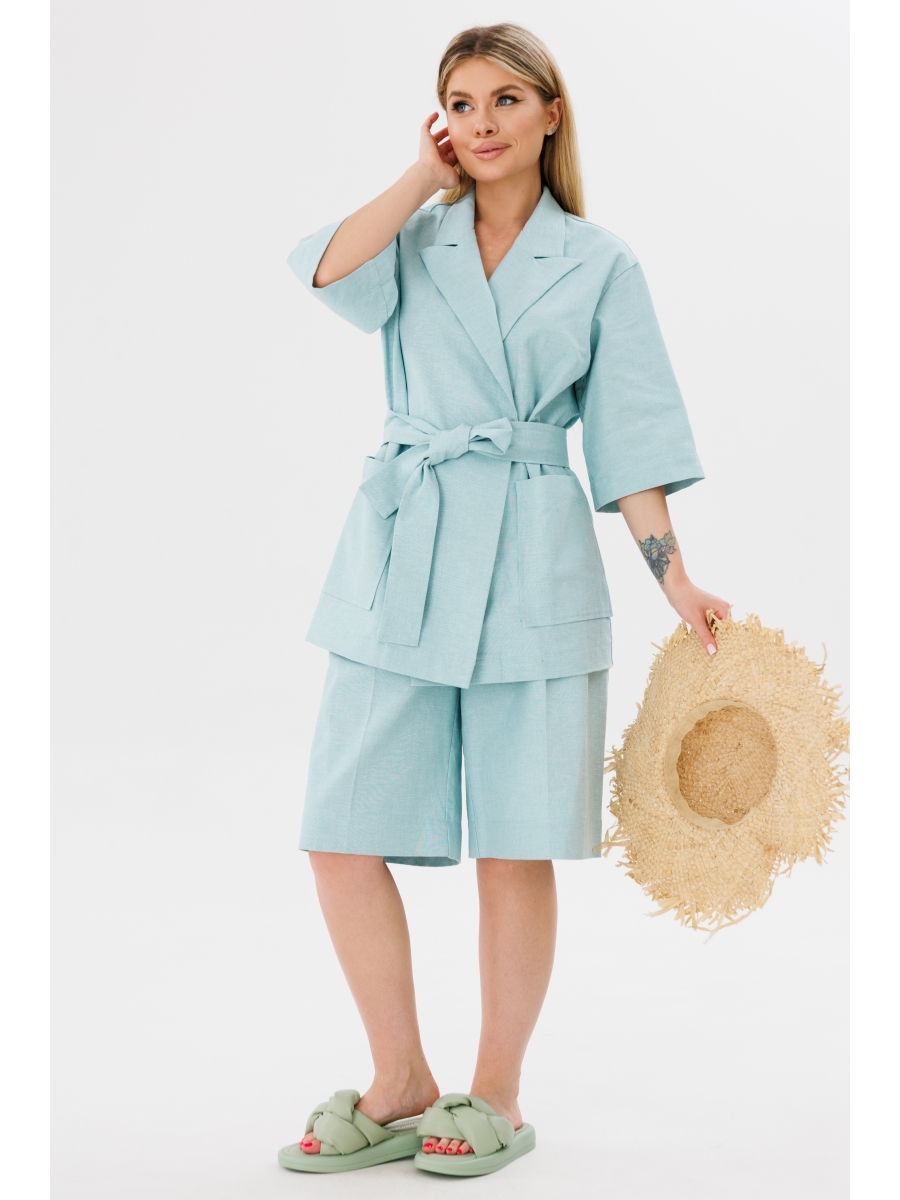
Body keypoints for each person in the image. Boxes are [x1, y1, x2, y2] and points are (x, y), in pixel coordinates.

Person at [280, 22, 729, 1178]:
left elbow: (630, 437)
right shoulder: (410, 239)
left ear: (550, 114)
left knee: (517, 844)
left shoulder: (601, 263)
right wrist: (417, 177)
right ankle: (398, 1078)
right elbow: (323, 271)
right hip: (403, 551)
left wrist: (674, 577)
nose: (482, 123)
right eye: (461, 103)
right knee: (340, 833)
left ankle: (495, 1093)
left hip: (533, 557)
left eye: (506, 100)